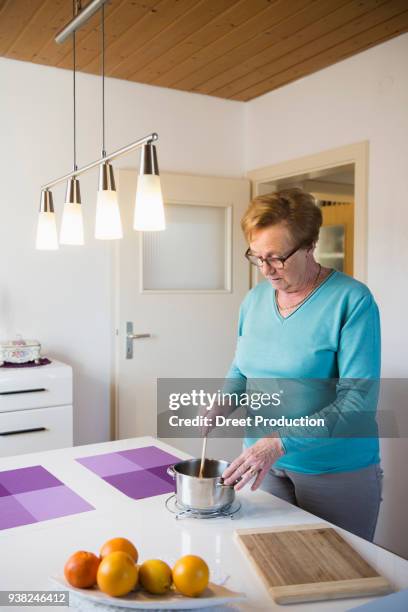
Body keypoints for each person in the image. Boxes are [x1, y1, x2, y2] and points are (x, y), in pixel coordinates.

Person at [215, 188, 382, 541]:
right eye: (256, 257)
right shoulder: (255, 299)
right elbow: (242, 368)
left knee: (338, 576)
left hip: (334, 469)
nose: (266, 270)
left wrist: (279, 442)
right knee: (268, 561)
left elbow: (357, 402)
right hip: (263, 464)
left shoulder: (352, 301)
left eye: (276, 258)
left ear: (309, 245)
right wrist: (219, 405)